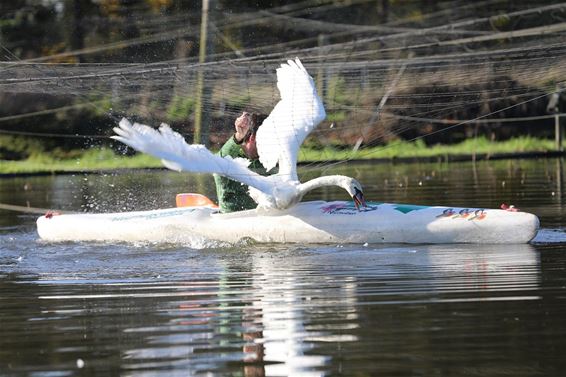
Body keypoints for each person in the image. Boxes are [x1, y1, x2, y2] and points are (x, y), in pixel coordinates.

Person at [213, 111, 272, 213]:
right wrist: (239, 136)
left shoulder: (271, 159)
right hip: (231, 220)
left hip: (266, 217)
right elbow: (216, 163)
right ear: (252, 138)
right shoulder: (230, 158)